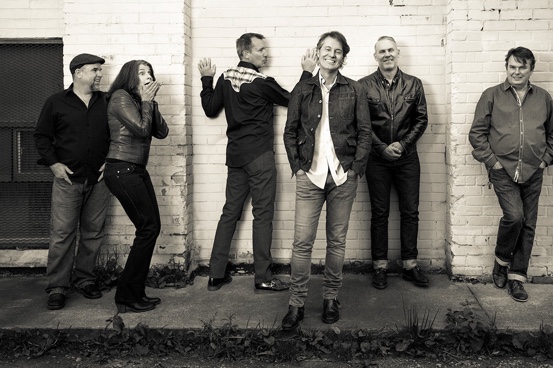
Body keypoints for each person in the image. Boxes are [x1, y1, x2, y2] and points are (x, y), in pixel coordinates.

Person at [198, 33, 317, 293]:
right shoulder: (262, 83)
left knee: (229, 212)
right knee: (262, 216)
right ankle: (263, 277)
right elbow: (293, 101)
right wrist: (307, 73)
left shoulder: (225, 78)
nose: (266, 54)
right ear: (246, 53)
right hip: (260, 157)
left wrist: (207, 79)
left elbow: (209, 108)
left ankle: (215, 275)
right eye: (261, 50)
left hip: (236, 157)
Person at [281, 31, 371, 330]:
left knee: (336, 241)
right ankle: (296, 303)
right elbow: (289, 131)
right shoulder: (302, 88)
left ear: (343, 57)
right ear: (318, 53)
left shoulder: (355, 90)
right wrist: (297, 167)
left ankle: (331, 297)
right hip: (310, 175)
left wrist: (356, 168)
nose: (331, 54)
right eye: (327, 49)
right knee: (302, 242)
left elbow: (365, 132)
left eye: (338, 51)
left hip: (343, 175)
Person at [469, 47, 553, 302]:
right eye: (512, 66)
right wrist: (492, 162)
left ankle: (517, 278)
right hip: (503, 170)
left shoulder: (543, 98)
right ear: (506, 67)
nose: (517, 71)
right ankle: (501, 261)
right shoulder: (491, 96)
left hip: (534, 170)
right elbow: (477, 133)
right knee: (515, 216)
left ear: (531, 69)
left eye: (522, 67)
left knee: (528, 224)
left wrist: (545, 160)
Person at [34, 53, 111, 310]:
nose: (99, 74)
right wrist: (54, 165)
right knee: (63, 234)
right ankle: (57, 286)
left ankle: (85, 279)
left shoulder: (107, 102)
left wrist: (110, 161)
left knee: (93, 232)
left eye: (100, 70)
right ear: (78, 72)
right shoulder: (56, 102)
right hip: (68, 179)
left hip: (98, 179)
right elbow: (42, 137)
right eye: (94, 70)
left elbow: (119, 136)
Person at [358, 36, 429, 290]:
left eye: (390, 50)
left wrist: (403, 144)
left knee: (410, 212)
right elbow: (361, 124)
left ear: (397, 53)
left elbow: (421, 120)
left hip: (407, 158)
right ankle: (380, 267)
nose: (387, 54)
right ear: (375, 56)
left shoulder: (414, 84)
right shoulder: (363, 86)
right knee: (379, 214)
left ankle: (410, 265)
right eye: (382, 51)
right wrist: (381, 147)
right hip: (376, 160)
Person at [103, 60, 169, 313]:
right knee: (147, 228)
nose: (148, 76)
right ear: (130, 76)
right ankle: (126, 297)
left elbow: (161, 132)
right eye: (142, 73)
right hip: (122, 170)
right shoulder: (120, 97)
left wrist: (151, 101)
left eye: (150, 72)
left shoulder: (139, 100)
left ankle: (134, 292)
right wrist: (146, 101)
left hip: (136, 170)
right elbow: (142, 130)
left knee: (151, 227)